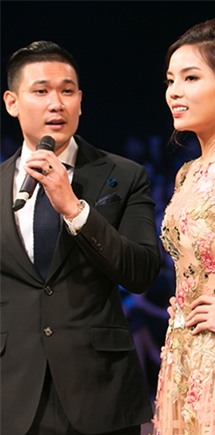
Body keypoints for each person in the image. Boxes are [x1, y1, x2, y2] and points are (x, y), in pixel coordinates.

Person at [0, 41, 161, 434]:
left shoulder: (124, 175)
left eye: (67, 91)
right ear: (12, 102)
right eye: (41, 91)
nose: (56, 104)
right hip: (13, 394)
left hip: (100, 389)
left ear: (80, 101)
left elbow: (141, 271)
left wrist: (75, 210)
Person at [152, 18, 215, 434]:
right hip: (183, 350)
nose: (174, 91)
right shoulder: (187, 173)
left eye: (191, 78)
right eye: (171, 80)